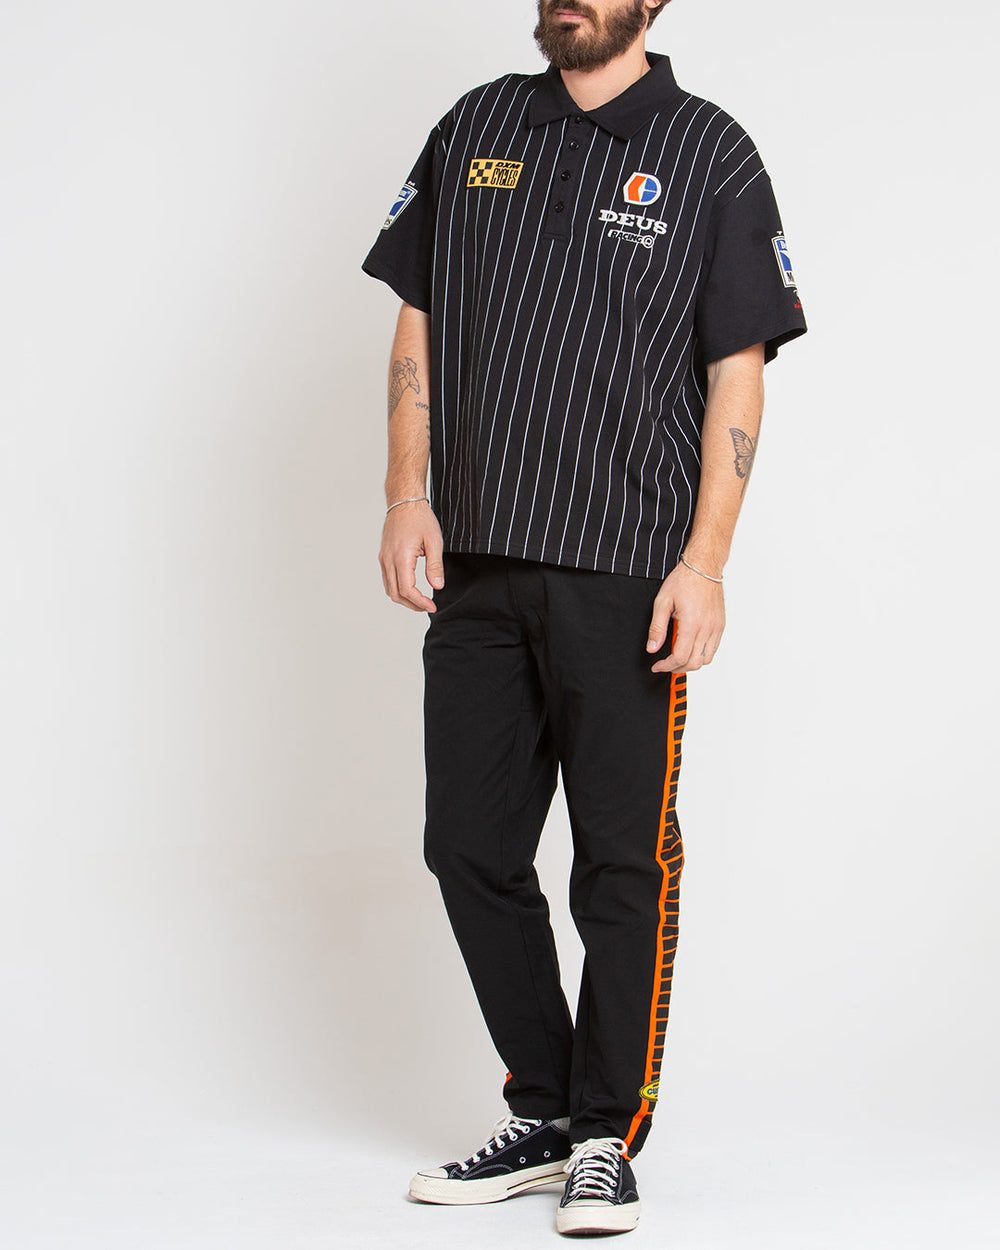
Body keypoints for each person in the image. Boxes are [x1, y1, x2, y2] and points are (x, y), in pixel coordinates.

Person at [360, 0, 807, 1236]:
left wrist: (705, 563)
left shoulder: (710, 151)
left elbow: (736, 369)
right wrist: (406, 489)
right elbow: (417, 315)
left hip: (626, 574)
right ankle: (548, 1109)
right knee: (468, 846)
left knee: (621, 862)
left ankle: (608, 1132)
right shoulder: (476, 126)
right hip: (478, 564)